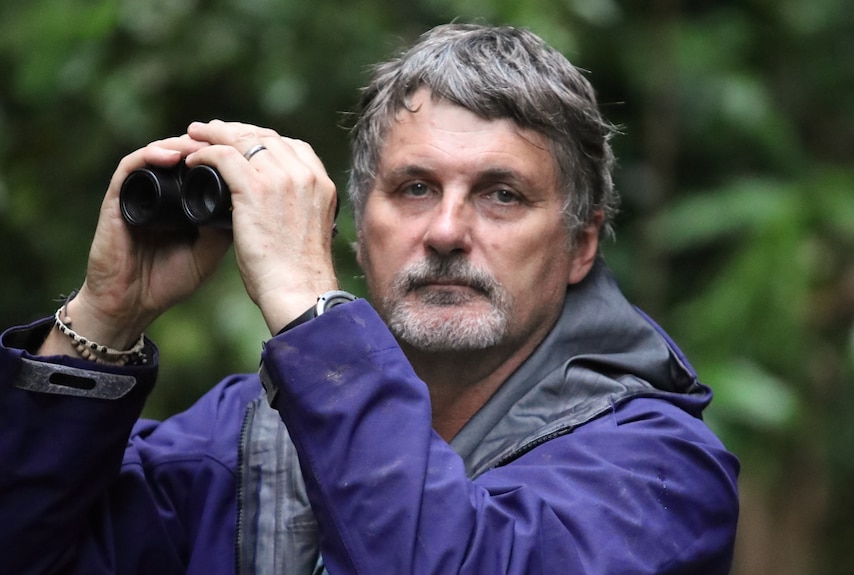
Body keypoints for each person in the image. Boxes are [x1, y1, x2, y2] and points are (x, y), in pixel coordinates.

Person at [0, 23, 739, 575]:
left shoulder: (660, 472)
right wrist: (102, 320)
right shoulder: (244, 440)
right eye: (414, 188)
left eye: (502, 194)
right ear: (358, 230)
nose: (447, 230)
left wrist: (311, 309)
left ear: (582, 244)